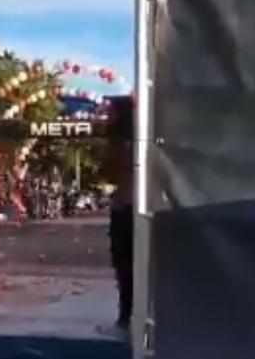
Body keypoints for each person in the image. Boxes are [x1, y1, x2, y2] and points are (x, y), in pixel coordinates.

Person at [101, 96, 135, 340]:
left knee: (124, 266)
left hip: (126, 206)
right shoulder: (141, 139)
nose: (106, 116)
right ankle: (129, 318)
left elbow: (111, 173)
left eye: (110, 111)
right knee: (133, 266)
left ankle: (125, 319)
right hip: (136, 205)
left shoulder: (120, 143)